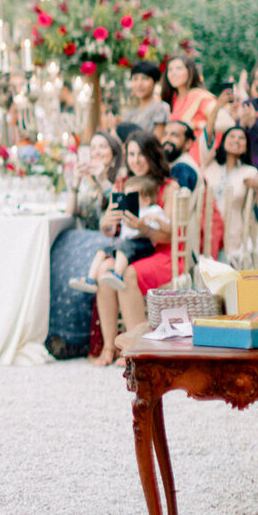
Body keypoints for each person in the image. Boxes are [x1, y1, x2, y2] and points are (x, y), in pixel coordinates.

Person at [93, 131, 178, 364]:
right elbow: (109, 229)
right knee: (104, 271)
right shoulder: (124, 186)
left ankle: (136, 348)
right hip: (130, 251)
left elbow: (171, 235)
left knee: (128, 275)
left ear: (152, 155)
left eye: (141, 153)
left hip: (161, 253)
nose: (136, 159)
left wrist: (144, 227)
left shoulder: (169, 188)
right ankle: (110, 347)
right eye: (131, 154)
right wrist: (108, 221)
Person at [47, 130, 126, 358]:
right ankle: (58, 333)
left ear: (113, 153)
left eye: (103, 147)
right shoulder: (87, 179)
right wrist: (75, 182)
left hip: (108, 240)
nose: (97, 152)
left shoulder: (119, 177)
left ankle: (79, 336)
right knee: (58, 259)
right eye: (93, 148)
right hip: (81, 238)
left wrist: (102, 180)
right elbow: (71, 212)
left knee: (80, 266)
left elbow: (118, 210)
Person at [204, 126, 258, 268]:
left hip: (233, 235)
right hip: (207, 232)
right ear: (224, 140)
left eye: (241, 138)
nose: (236, 140)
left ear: (246, 147)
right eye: (232, 136)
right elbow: (207, 135)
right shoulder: (210, 166)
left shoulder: (250, 172)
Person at [165, 55, 214, 164]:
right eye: (170, 69)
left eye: (179, 68)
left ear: (189, 72)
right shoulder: (174, 100)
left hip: (197, 158)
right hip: (178, 158)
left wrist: (196, 124)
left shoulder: (200, 96)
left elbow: (221, 121)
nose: (173, 73)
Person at [119, 61, 169, 140]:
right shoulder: (130, 113)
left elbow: (157, 142)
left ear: (154, 82)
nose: (139, 84)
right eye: (135, 79)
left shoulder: (160, 108)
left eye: (145, 78)